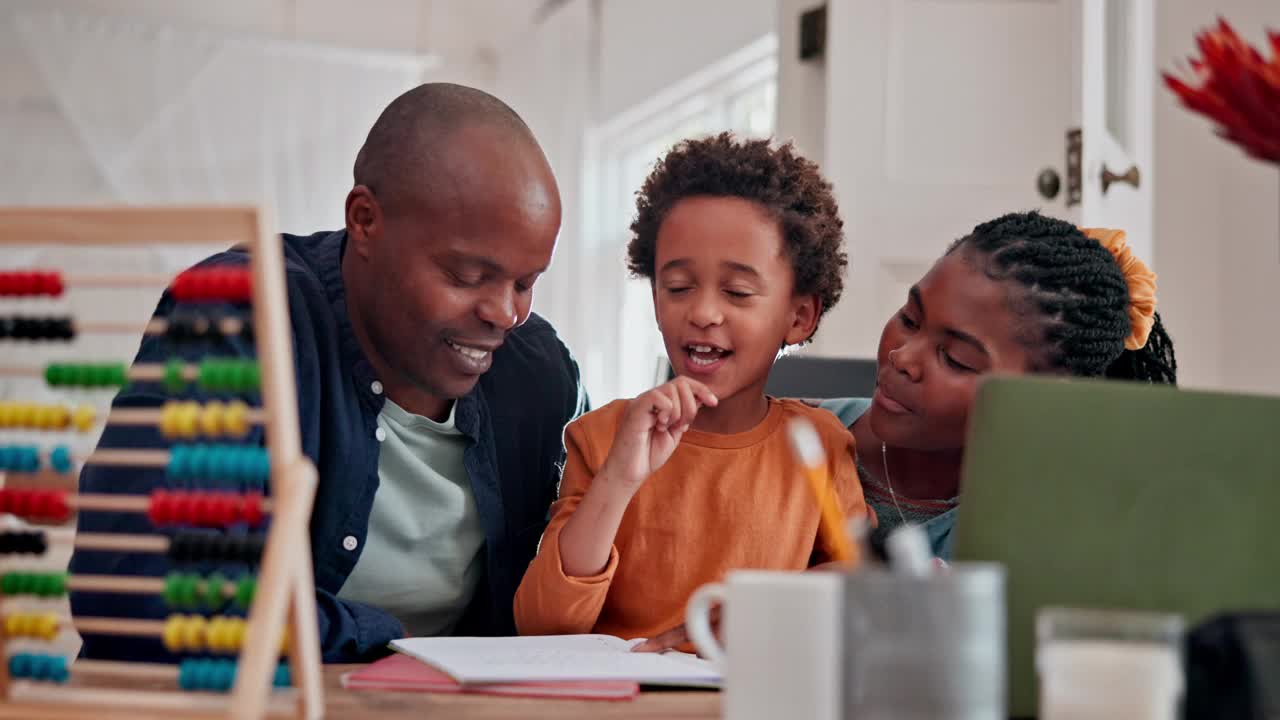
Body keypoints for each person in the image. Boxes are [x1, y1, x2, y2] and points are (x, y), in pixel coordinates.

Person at [69, 83, 588, 662]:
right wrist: (381, 640)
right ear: (365, 220)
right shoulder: (240, 319)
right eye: (467, 276)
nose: (505, 314)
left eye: (526, 282)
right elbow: (136, 589)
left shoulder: (539, 375)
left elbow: (591, 570)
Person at [512, 132, 869, 641]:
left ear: (800, 315)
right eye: (677, 287)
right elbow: (543, 625)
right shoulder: (602, 439)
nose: (701, 313)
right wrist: (619, 480)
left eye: (738, 291)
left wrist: (762, 610)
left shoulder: (820, 444)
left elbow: (866, 588)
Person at [821, 211, 1176, 560]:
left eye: (957, 359)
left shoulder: (1043, 535)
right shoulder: (792, 435)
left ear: (1039, 401)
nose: (903, 357)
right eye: (910, 319)